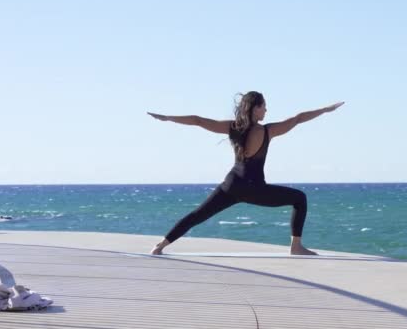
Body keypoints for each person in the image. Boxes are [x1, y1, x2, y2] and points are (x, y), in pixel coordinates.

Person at [147, 91, 344, 255]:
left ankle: (160, 246)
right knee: (299, 198)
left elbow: (198, 120)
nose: (266, 110)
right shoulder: (268, 131)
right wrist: (325, 110)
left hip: (231, 185)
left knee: (197, 215)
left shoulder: (232, 127)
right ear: (255, 108)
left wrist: (168, 118)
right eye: (264, 106)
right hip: (255, 188)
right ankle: (296, 246)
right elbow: (298, 119)